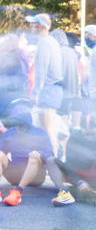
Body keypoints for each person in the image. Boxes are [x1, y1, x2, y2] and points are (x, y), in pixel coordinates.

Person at [0, 105, 74, 206]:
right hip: (15, 175)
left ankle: (17, 192)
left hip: (36, 177)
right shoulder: (8, 134)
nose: (18, 128)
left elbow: (50, 156)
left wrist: (40, 153)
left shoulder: (41, 133)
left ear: (28, 123)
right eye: (15, 125)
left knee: (34, 156)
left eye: (21, 125)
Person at [54, 115, 96, 206]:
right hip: (79, 172)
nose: (89, 137)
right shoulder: (74, 137)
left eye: (92, 133)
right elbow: (69, 162)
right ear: (81, 129)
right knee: (52, 160)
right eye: (86, 134)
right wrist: (78, 181)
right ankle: (65, 193)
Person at [26, 13, 63, 157]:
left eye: (33, 24)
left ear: (40, 26)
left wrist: (36, 93)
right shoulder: (52, 41)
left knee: (47, 129)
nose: (30, 26)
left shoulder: (44, 43)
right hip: (54, 89)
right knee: (46, 128)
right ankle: (48, 162)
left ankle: (52, 163)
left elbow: (41, 71)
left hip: (48, 90)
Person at [52, 29, 79, 127]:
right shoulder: (73, 52)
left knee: (61, 121)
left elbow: (57, 73)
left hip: (62, 91)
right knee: (70, 121)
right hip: (73, 91)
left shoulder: (59, 51)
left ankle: (61, 141)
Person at [0, 34, 27, 119]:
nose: (2, 44)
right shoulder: (14, 57)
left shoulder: (10, 59)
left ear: (10, 45)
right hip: (12, 98)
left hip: (7, 99)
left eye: (5, 42)